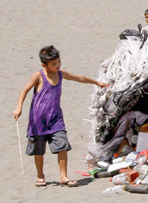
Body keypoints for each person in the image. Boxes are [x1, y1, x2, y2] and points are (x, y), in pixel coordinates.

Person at [13, 46, 109, 187]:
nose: (57, 66)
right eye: (53, 64)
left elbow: (79, 78)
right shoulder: (39, 76)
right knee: (38, 151)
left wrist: (96, 82)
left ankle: (63, 176)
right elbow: (24, 90)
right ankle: (40, 176)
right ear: (44, 65)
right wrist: (18, 107)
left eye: (58, 62)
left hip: (55, 119)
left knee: (62, 146)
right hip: (38, 121)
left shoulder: (60, 74)